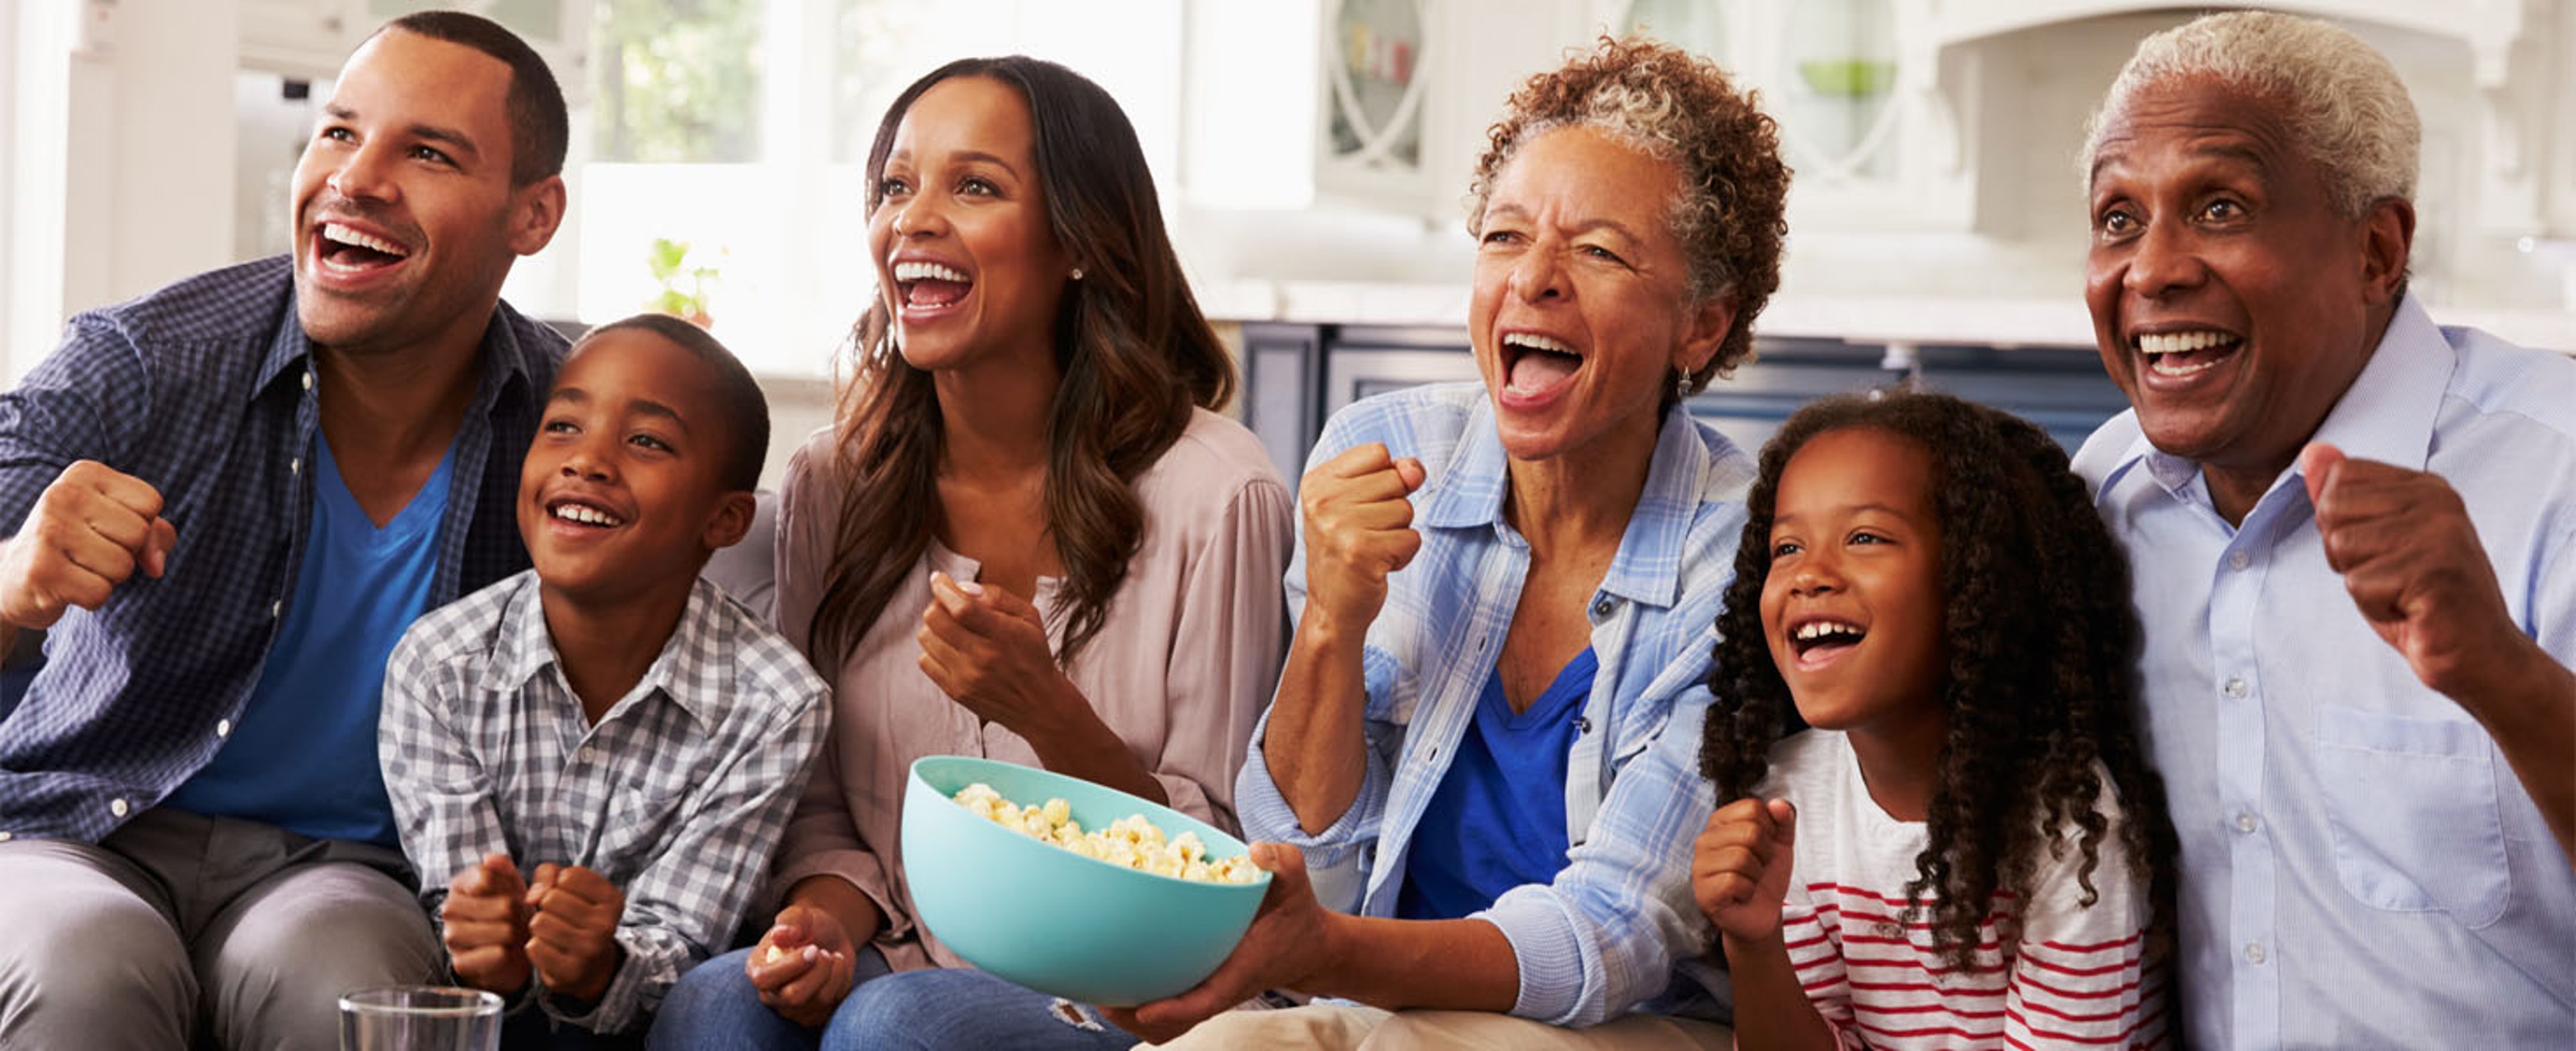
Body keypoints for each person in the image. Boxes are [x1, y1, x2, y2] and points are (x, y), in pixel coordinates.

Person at [1117, 36, 1787, 1050]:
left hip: (1634, 1023)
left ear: (1703, 325)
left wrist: (1317, 953)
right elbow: (1314, 858)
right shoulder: (1380, 453)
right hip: (1374, 994)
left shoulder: (1742, 544)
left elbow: (1618, 933)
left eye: (1599, 250)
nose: (1536, 279)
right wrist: (1334, 625)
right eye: (1506, 236)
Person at [646, 56, 1292, 1050]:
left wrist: (1045, 709)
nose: (913, 218)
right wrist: (821, 919)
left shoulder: (1217, 491)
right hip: (897, 948)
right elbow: (816, 796)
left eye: (975, 185)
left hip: (1123, 985)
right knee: (718, 999)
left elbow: (1215, 863)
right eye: (896, 186)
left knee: (896, 1024)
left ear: (1081, 240)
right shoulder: (835, 480)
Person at [0, 11, 570, 1049]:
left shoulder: (562, 430)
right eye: (341, 133)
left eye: (428, 151)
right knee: (83, 964)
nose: (357, 178)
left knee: (346, 984)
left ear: (533, 215)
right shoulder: (146, 361)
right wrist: (10, 582)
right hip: (81, 830)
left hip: (345, 867)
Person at [2073, 10, 2576, 1046]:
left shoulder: (2555, 471)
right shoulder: (2100, 495)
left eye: (2218, 206)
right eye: (2119, 218)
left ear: (2377, 249)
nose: (2153, 269)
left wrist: (2500, 670)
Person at [380, 316, 829, 1048]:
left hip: (644, 1022)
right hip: (483, 1014)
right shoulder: (439, 664)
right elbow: (456, 902)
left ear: (724, 519)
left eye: (646, 440)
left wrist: (601, 965)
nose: (587, 460)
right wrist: (481, 935)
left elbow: (683, 936)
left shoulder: (778, 702)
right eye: (562, 426)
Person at [1693, 390, 2178, 1049]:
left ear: (1978, 582)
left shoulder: (2070, 826)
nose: (1809, 575)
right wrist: (1754, 943)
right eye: (1786, 548)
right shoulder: (1785, 801)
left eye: (1864, 537)